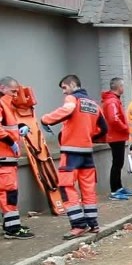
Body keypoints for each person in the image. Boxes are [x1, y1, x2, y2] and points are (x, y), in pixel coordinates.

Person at [41, 74, 107, 240]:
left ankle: (78, 225)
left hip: (71, 153)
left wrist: (46, 120)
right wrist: (88, 135)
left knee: (66, 187)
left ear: (72, 85)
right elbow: (103, 128)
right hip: (87, 152)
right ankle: (93, 223)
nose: (64, 92)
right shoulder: (93, 104)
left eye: (64, 88)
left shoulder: (72, 99)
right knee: (88, 188)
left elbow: (68, 110)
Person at [0, 76, 34, 239]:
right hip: (4, 157)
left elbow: (9, 125)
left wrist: (22, 126)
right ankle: (12, 230)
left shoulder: (7, 106)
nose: (15, 95)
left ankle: (11, 225)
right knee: (8, 193)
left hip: (7, 157)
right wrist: (11, 142)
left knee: (9, 193)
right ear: (2, 88)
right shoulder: (2, 105)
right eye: (12, 91)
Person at [100, 77, 132, 201]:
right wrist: (125, 128)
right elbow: (114, 119)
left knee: (118, 163)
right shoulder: (112, 102)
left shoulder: (113, 101)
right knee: (117, 163)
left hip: (116, 135)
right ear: (119, 87)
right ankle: (114, 190)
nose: (123, 88)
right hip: (115, 136)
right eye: (123, 86)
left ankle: (118, 187)